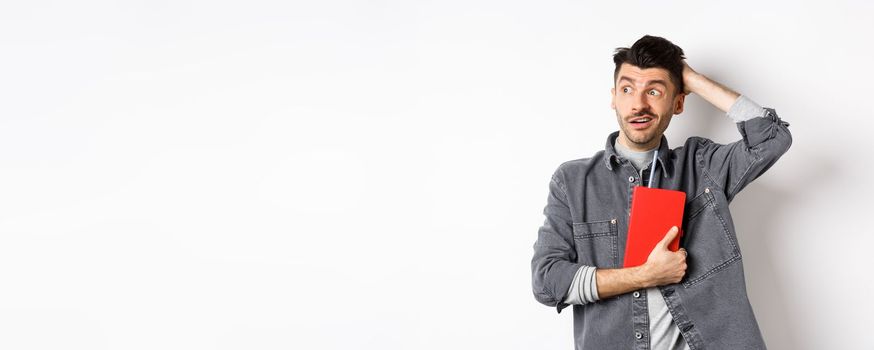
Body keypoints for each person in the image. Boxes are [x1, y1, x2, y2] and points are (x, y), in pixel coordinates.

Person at [530, 35, 792, 350]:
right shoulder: (572, 182)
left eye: (654, 91)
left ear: (678, 102)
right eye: (627, 89)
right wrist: (645, 275)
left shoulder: (701, 165)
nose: (638, 104)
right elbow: (547, 283)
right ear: (614, 97)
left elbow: (772, 138)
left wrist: (692, 79)